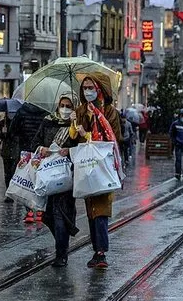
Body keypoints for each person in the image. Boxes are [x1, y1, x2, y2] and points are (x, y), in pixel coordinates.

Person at [70, 72, 122, 269]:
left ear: (99, 89)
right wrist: (74, 125)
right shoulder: (81, 110)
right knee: (91, 210)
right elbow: (74, 139)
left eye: (91, 87)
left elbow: (113, 139)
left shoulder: (109, 112)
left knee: (101, 210)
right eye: (85, 88)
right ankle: (96, 250)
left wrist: (88, 133)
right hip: (86, 166)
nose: (88, 91)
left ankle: (101, 252)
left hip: (104, 166)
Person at [31, 96, 79, 267]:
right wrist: (41, 149)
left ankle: (61, 253)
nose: (65, 109)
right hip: (47, 176)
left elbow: (82, 146)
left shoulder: (75, 125)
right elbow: (35, 142)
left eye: (68, 106)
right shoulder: (48, 121)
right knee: (48, 215)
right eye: (62, 105)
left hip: (66, 178)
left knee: (61, 214)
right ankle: (63, 242)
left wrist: (70, 150)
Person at [9, 102, 49, 223]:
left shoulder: (22, 111)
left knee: (28, 180)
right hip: (41, 150)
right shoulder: (46, 112)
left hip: (26, 150)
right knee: (41, 180)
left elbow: (13, 130)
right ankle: (41, 211)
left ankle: (30, 211)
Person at [0, 116, 17, 203]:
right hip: (6, 151)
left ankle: (15, 193)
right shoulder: (3, 123)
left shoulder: (18, 121)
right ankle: (9, 194)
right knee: (7, 173)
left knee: (14, 173)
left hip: (15, 151)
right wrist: (2, 132)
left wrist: (12, 133)